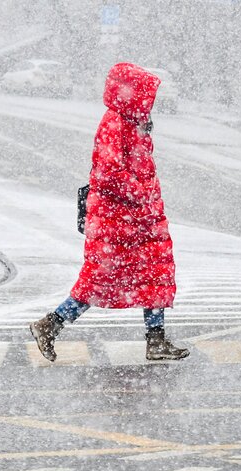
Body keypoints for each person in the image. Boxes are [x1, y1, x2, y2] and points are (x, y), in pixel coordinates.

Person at [31, 62, 189, 363]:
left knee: (154, 273)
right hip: (118, 219)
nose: (149, 102)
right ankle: (51, 324)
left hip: (138, 217)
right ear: (130, 94)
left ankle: (155, 341)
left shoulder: (133, 122)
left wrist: (145, 201)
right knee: (101, 279)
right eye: (144, 95)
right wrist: (141, 195)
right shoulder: (115, 123)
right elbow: (108, 173)